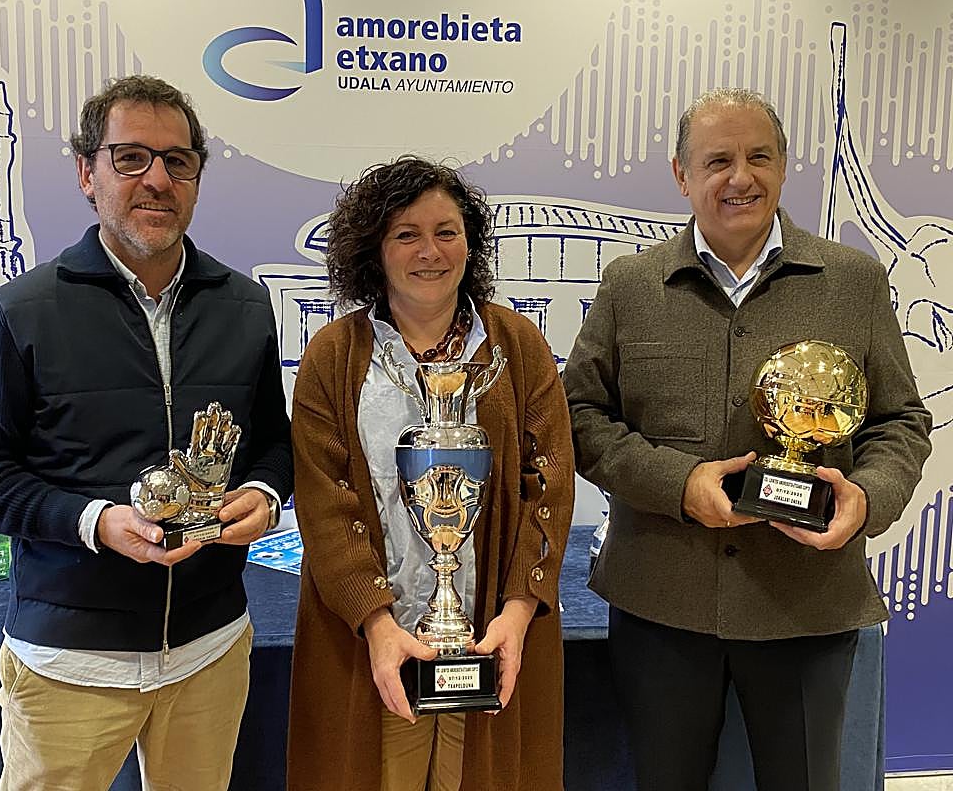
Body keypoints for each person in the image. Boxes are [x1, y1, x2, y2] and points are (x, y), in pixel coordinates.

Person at [562, 88, 933, 791]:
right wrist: (677, 484)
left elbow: (900, 422)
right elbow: (580, 417)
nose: (740, 178)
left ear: (785, 166)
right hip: (660, 603)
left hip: (807, 605)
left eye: (759, 157)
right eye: (718, 160)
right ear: (681, 174)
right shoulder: (631, 284)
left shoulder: (852, 282)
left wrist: (866, 499)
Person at [0, 75, 293, 791]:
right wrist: (94, 521)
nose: (156, 178)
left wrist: (263, 491)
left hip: (208, 651)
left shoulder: (244, 306)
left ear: (195, 178)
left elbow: (272, 443)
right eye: (130, 158)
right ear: (86, 173)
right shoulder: (24, 309)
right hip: (68, 663)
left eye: (177, 161)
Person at [286, 157, 574, 791]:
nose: (430, 251)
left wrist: (520, 610)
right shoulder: (335, 356)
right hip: (374, 643)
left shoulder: (518, 346)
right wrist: (377, 621)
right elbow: (324, 503)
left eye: (447, 231)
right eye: (406, 234)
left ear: (470, 243)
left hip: (491, 638)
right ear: (374, 250)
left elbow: (548, 484)